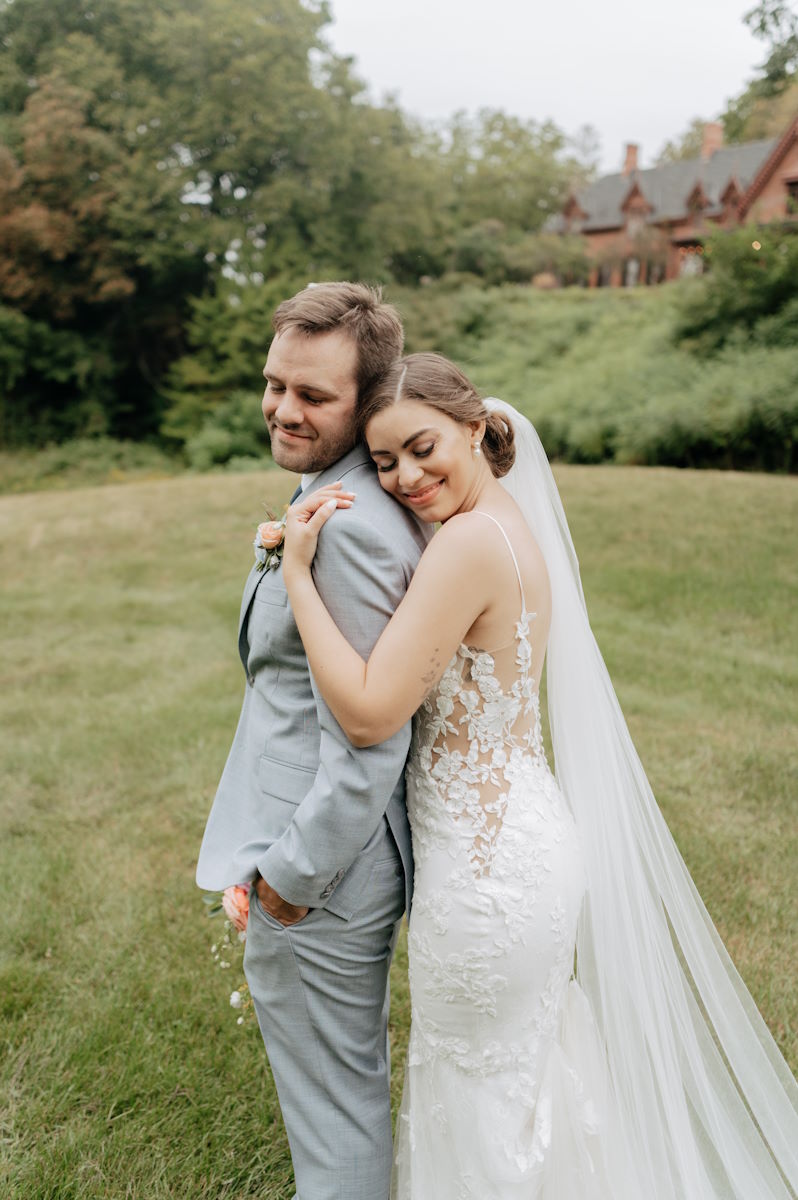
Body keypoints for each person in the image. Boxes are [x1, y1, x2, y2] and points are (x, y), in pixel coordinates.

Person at [282, 352, 798, 1200]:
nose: (405, 478)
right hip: (518, 847)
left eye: (421, 448)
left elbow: (373, 712)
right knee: (521, 1086)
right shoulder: (504, 523)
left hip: (487, 877)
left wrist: (300, 575)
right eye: (383, 463)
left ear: (477, 429)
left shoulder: (468, 547)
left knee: (483, 1095)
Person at [196, 283, 431, 1200]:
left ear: (371, 405)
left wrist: (290, 879)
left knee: (335, 1123)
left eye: (313, 396)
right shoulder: (330, 498)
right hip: (315, 853)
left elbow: (370, 741)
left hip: (325, 870)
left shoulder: (353, 532)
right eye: (274, 384)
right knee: (340, 1100)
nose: (283, 409)